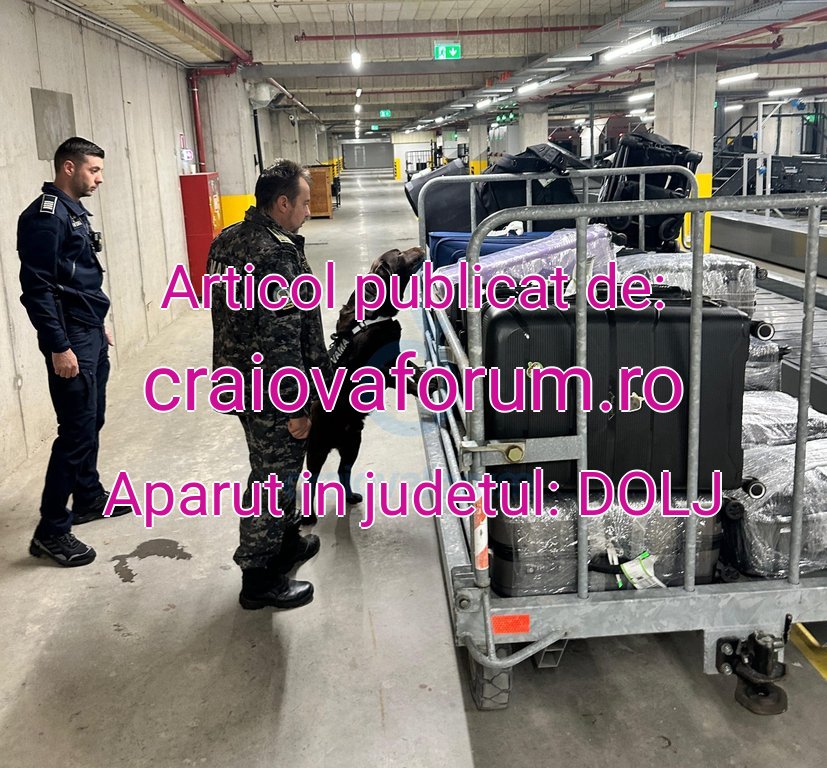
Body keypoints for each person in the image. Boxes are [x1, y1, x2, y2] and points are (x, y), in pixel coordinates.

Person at [209, 159, 332, 611]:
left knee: (280, 469)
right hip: (272, 391)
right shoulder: (275, 253)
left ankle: (285, 543)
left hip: (239, 379)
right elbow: (279, 335)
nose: (308, 211)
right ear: (282, 203)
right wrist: (295, 405)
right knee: (272, 478)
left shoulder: (227, 240)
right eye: (304, 203)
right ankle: (258, 576)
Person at [17, 137, 131, 568]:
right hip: (70, 340)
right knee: (76, 432)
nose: (99, 179)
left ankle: (87, 496)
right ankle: (51, 530)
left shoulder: (72, 213)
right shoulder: (45, 218)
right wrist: (59, 346)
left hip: (88, 332)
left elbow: (78, 279)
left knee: (92, 418)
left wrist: (98, 324)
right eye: (93, 170)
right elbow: (38, 289)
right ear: (69, 167)